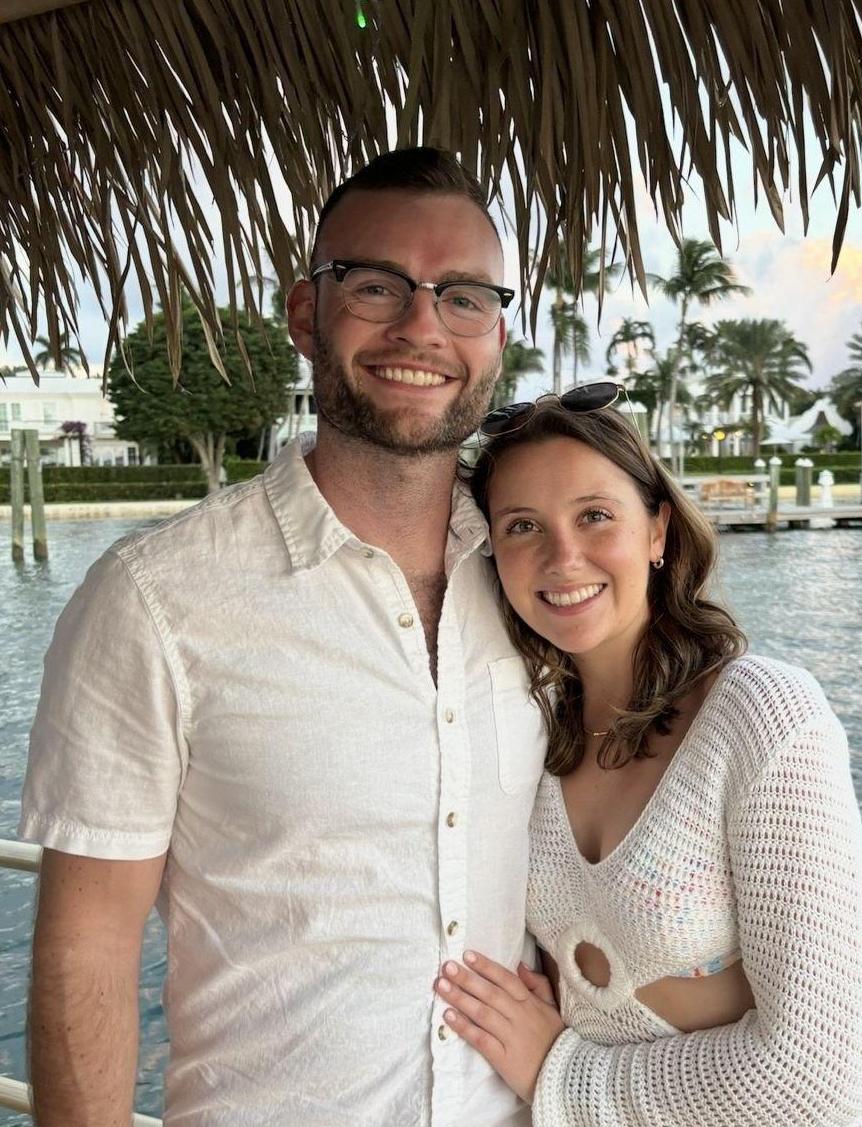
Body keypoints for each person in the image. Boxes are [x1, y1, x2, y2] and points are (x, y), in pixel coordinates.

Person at [20, 147, 546, 1126]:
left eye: (463, 297)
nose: (422, 326)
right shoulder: (154, 601)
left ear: (496, 336)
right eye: (376, 285)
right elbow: (86, 946)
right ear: (306, 314)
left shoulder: (542, 584)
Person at [436, 389, 862, 1124]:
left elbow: (819, 1070)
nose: (563, 557)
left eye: (595, 515)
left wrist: (558, 1070)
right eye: (522, 525)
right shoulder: (535, 733)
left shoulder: (762, 715)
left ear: (657, 529)